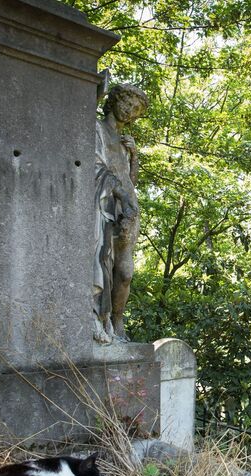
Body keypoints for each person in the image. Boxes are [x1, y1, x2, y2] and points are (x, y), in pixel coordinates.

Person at [92, 83, 148, 344]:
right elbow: (96, 167)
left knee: (125, 272)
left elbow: (131, 181)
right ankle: (103, 320)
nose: (129, 111)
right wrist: (121, 196)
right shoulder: (97, 129)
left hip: (128, 209)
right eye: (127, 103)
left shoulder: (126, 144)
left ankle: (118, 320)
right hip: (106, 204)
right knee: (103, 264)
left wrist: (134, 155)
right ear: (114, 100)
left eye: (135, 109)